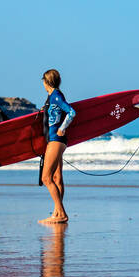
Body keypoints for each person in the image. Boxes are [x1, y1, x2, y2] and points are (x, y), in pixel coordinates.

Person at [39, 69, 76, 224]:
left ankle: (61, 213)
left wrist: (63, 128)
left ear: (46, 81)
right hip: (54, 140)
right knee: (56, 177)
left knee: (46, 177)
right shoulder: (51, 97)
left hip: (56, 140)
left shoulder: (56, 96)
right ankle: (56, 213)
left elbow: (72, 112)